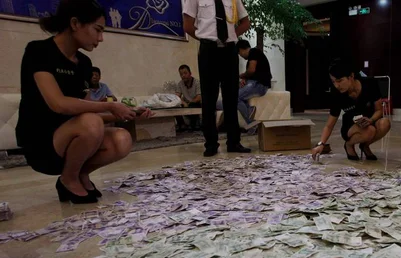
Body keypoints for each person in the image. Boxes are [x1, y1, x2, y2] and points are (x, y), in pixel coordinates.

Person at [15, 0, 152, 204]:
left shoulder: (84, 63)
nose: (101, 38)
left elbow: (88, 113)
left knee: (122, 139)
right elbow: (59, 104)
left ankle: (79, 174)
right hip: (42, 142)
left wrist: (127, 113)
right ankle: (68, 179)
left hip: (74, 135)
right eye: (97, 30)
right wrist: (109, 105)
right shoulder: (39, 51)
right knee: (90, 122)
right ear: (75, 23)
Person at [183, 0, 252, 157]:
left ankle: (234, 142)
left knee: (231, 98)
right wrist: (206, 39)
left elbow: (246, 22)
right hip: (208, 51)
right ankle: (211, 145)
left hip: (229, 52)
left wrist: (230, 36)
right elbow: (187, 26)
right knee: (208, 99)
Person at [311, 60, 391, 161]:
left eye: (340, 80)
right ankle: (349, 145)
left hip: (370, 119)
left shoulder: (370, 84)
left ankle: (365, 146)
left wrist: (370, 120)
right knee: (370, 130)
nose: (336, 85)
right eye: (333, 81)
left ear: (351, 76)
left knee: (385, 123)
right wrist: (321, 144)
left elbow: (379, 110)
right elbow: (329, 125)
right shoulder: (337, 93)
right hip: (350, 125)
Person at [236, 39, 272, 129]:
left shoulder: (254, 52)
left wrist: (241, 75)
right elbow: (251, 73)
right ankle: (251, 118)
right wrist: (245, 78)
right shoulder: (252, 57)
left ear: (241, 49)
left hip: (259, 85)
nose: (240, 55)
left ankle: (251, 123)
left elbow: (251, 70)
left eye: (239, 53)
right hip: (256, 83)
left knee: (234, 97)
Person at [175, 64, 202, 133]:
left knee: (193, 105)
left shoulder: (197, 82)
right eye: (181, 74)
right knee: (175, 105)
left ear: (190, 73)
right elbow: (177, 97)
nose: (183, 75)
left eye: (185, 73)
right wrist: (183, 103)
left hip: (195, 103)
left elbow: (199, 97)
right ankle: (181, 124)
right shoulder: (180, 84)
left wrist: (190, 102)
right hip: (186, 104)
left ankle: (193, 126)